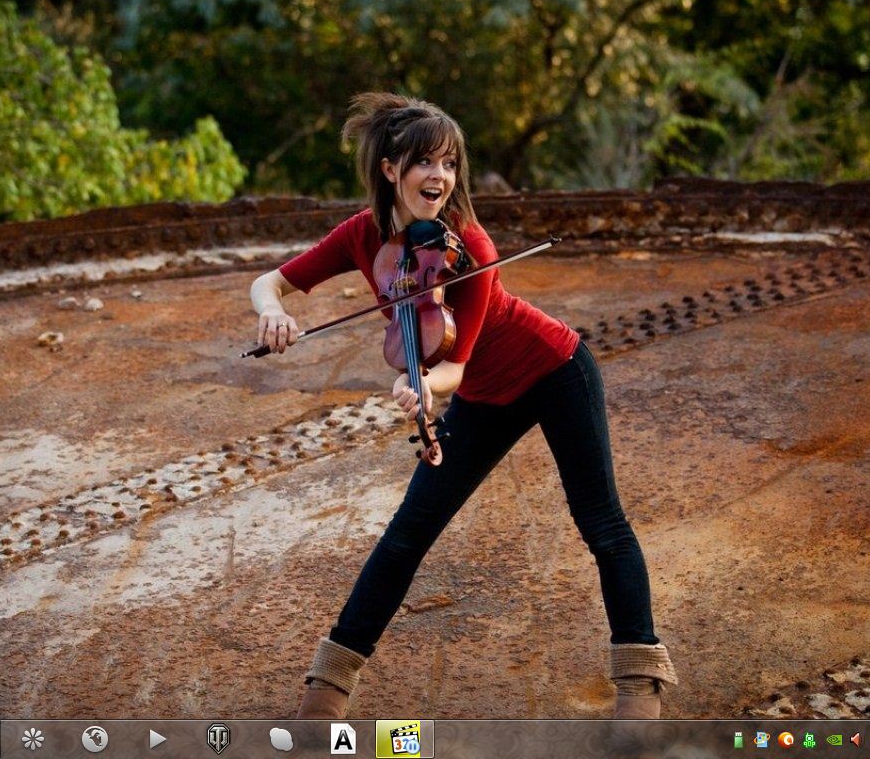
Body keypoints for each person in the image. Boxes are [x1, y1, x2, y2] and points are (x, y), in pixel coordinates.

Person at [248, 93, 676, 719]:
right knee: (407, 534)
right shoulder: (363, 235)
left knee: (601, 522)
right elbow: (270, 282)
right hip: (484, 396)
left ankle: (640, 682)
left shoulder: (470, 243)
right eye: (425, 162)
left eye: (449, 164)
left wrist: (424, 386)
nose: (440, 176)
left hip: (554, 369)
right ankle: (327, 688)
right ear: (390, 169)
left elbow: (455, 364)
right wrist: (273, 313)